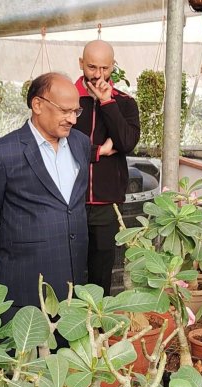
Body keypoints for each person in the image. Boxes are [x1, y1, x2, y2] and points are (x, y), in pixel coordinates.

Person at [0, 72, 89, 323]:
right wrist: (14, 251)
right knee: (24, 357)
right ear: (37, 105)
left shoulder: (80, 144)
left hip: (72, 283)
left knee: (64, 359)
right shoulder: (4, 153)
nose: (72, 119)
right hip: (23, 283)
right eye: (65, 110)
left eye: (76, 111)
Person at [74, 40, 140, 295]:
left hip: (107, 202)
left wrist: (106, 103)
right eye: (92, 67)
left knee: (101, 267)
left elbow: (126, 142)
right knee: (69, 266)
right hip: (70, 200)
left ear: (113, 66)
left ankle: (96, 325)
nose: (98, 75)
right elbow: (57, 145)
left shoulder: (124, 103)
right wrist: (99, 151)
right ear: (81, 63)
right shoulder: (67, 98)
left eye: (104, 68)